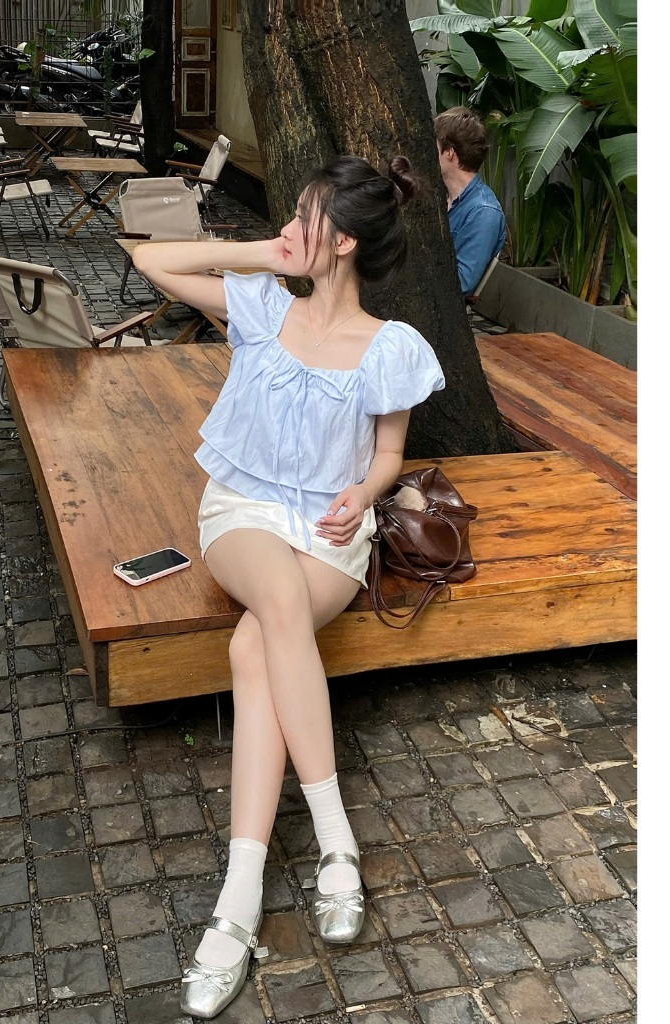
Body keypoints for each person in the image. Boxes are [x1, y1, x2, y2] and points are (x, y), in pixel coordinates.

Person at [133, 154, 446, 1018]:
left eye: (306, 217)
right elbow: (150, 259)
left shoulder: (391, 347)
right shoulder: (264, 306)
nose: (291, 227)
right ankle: (335, 843)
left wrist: (364, 493)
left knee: (253, 649)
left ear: (343, 241)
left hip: (329, 534)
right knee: (274, 607)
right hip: (242, 512)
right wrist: (261, 254)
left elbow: (390, 453)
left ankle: (238, 900)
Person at [434, 105, 507, 297]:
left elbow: (463, 283)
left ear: (449, 152)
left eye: (435, 146)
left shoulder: (484, 212)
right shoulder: (442, 196)